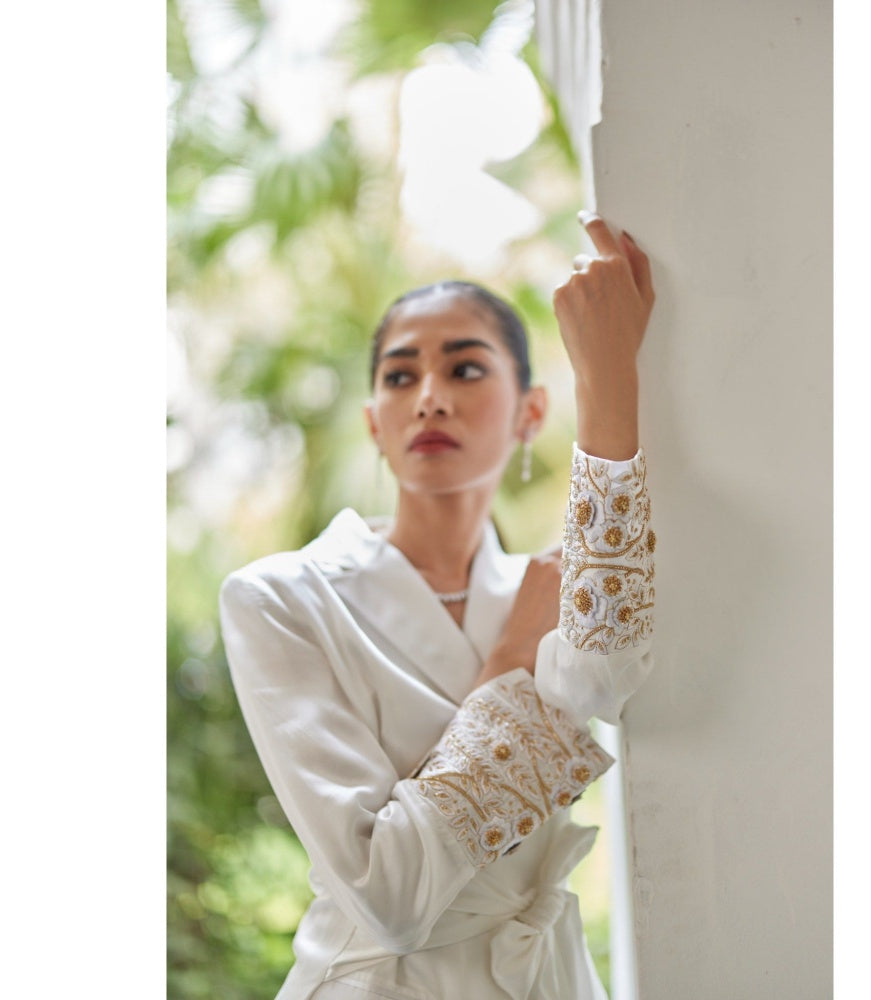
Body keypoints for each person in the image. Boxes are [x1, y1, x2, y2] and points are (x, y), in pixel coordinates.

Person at [219, 211, 656, 1000]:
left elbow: (610, 670)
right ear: (373, 424)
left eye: (465, 369)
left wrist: (609, 378)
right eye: (399, 377)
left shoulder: (556, 588)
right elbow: (387, 895)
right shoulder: (282, 599)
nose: (428, 398)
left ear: (530, 413)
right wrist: (509, 659)